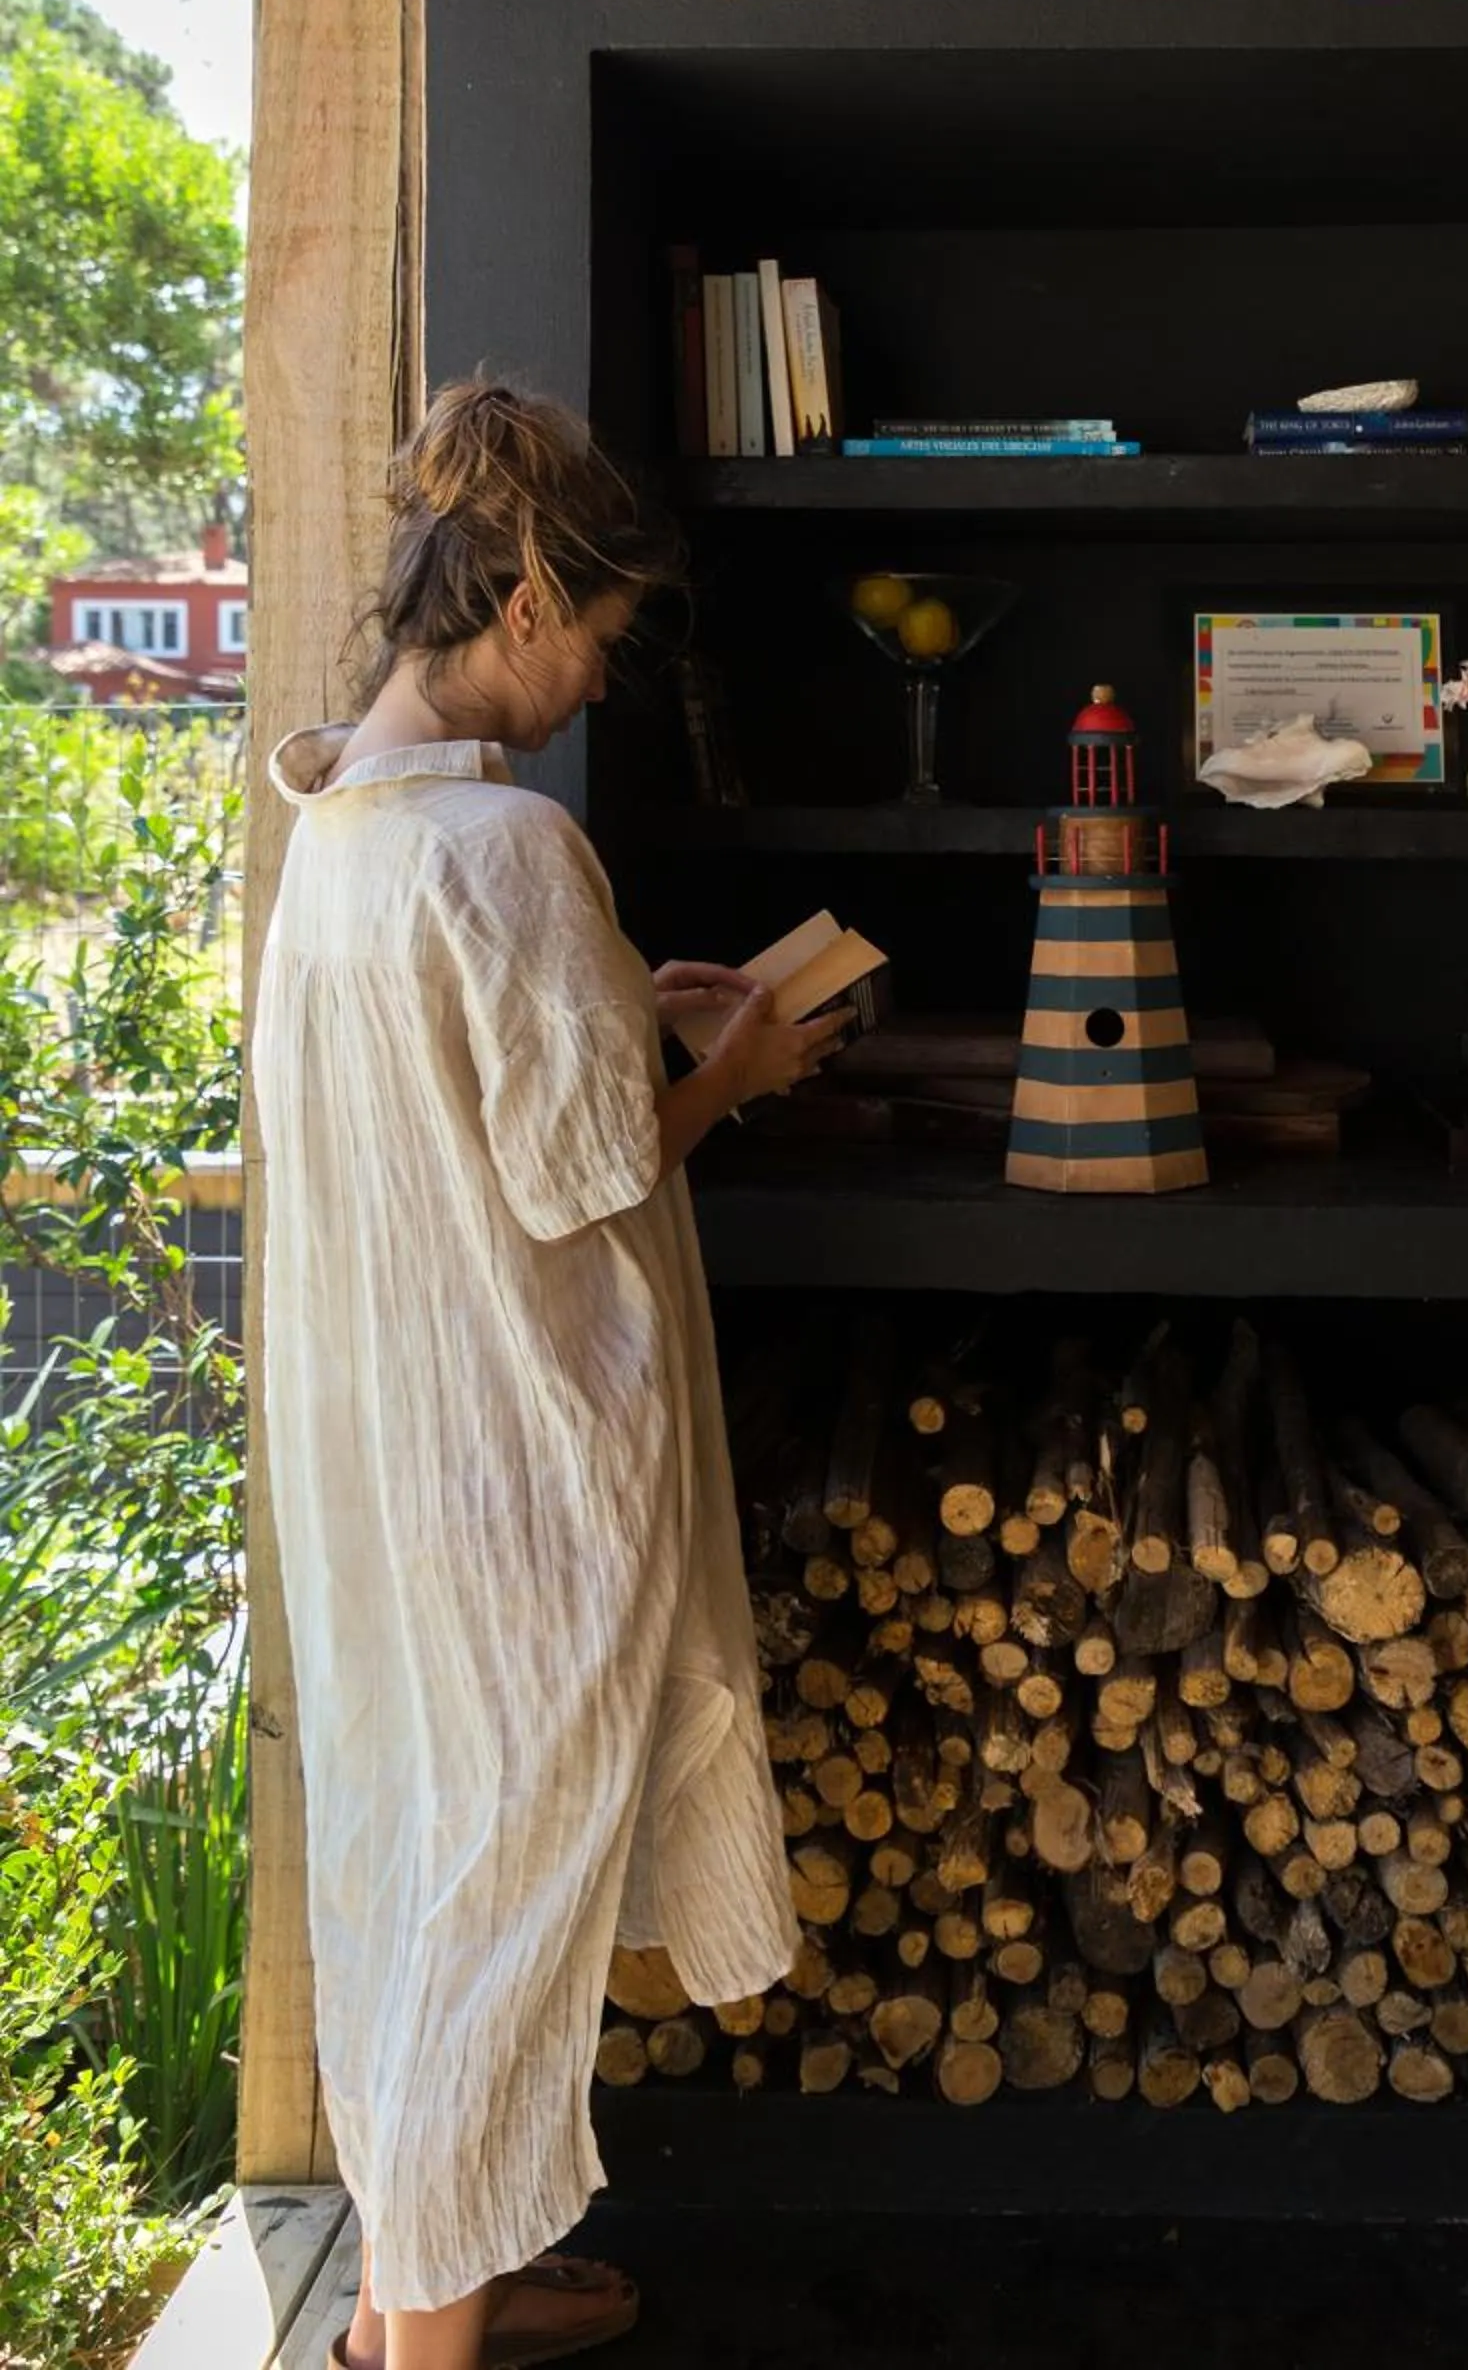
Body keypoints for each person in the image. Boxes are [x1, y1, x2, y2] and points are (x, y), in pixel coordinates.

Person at [254, 384, 839, 2370]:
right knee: (503, 1898)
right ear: (520, 598)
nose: (593, 679)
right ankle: (417, 2345)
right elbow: (586, 1165)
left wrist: (626, 998)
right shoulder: (514, 845)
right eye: (591, 637)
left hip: (384, 1461)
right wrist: (734, 1072)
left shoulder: (339, 830)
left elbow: (465, 1090)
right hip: (520, 1462)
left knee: (430, 1863)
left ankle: (432, 2287)